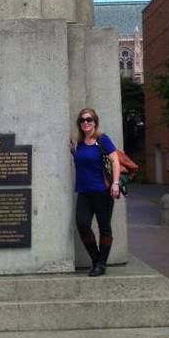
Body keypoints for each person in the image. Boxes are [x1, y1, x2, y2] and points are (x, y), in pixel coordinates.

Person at [70, 107, 120, 277]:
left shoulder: (102, 139)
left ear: (95, 122)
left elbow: (115, 161)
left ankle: (101, 264)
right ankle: (96, 259)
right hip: (84, 191)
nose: (86, 122)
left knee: (104, 227)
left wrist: (115, 183)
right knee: (82, 224)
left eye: (89, 119)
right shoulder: (78, 144)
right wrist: (73, 150)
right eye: (82, 120)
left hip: (102, 191)